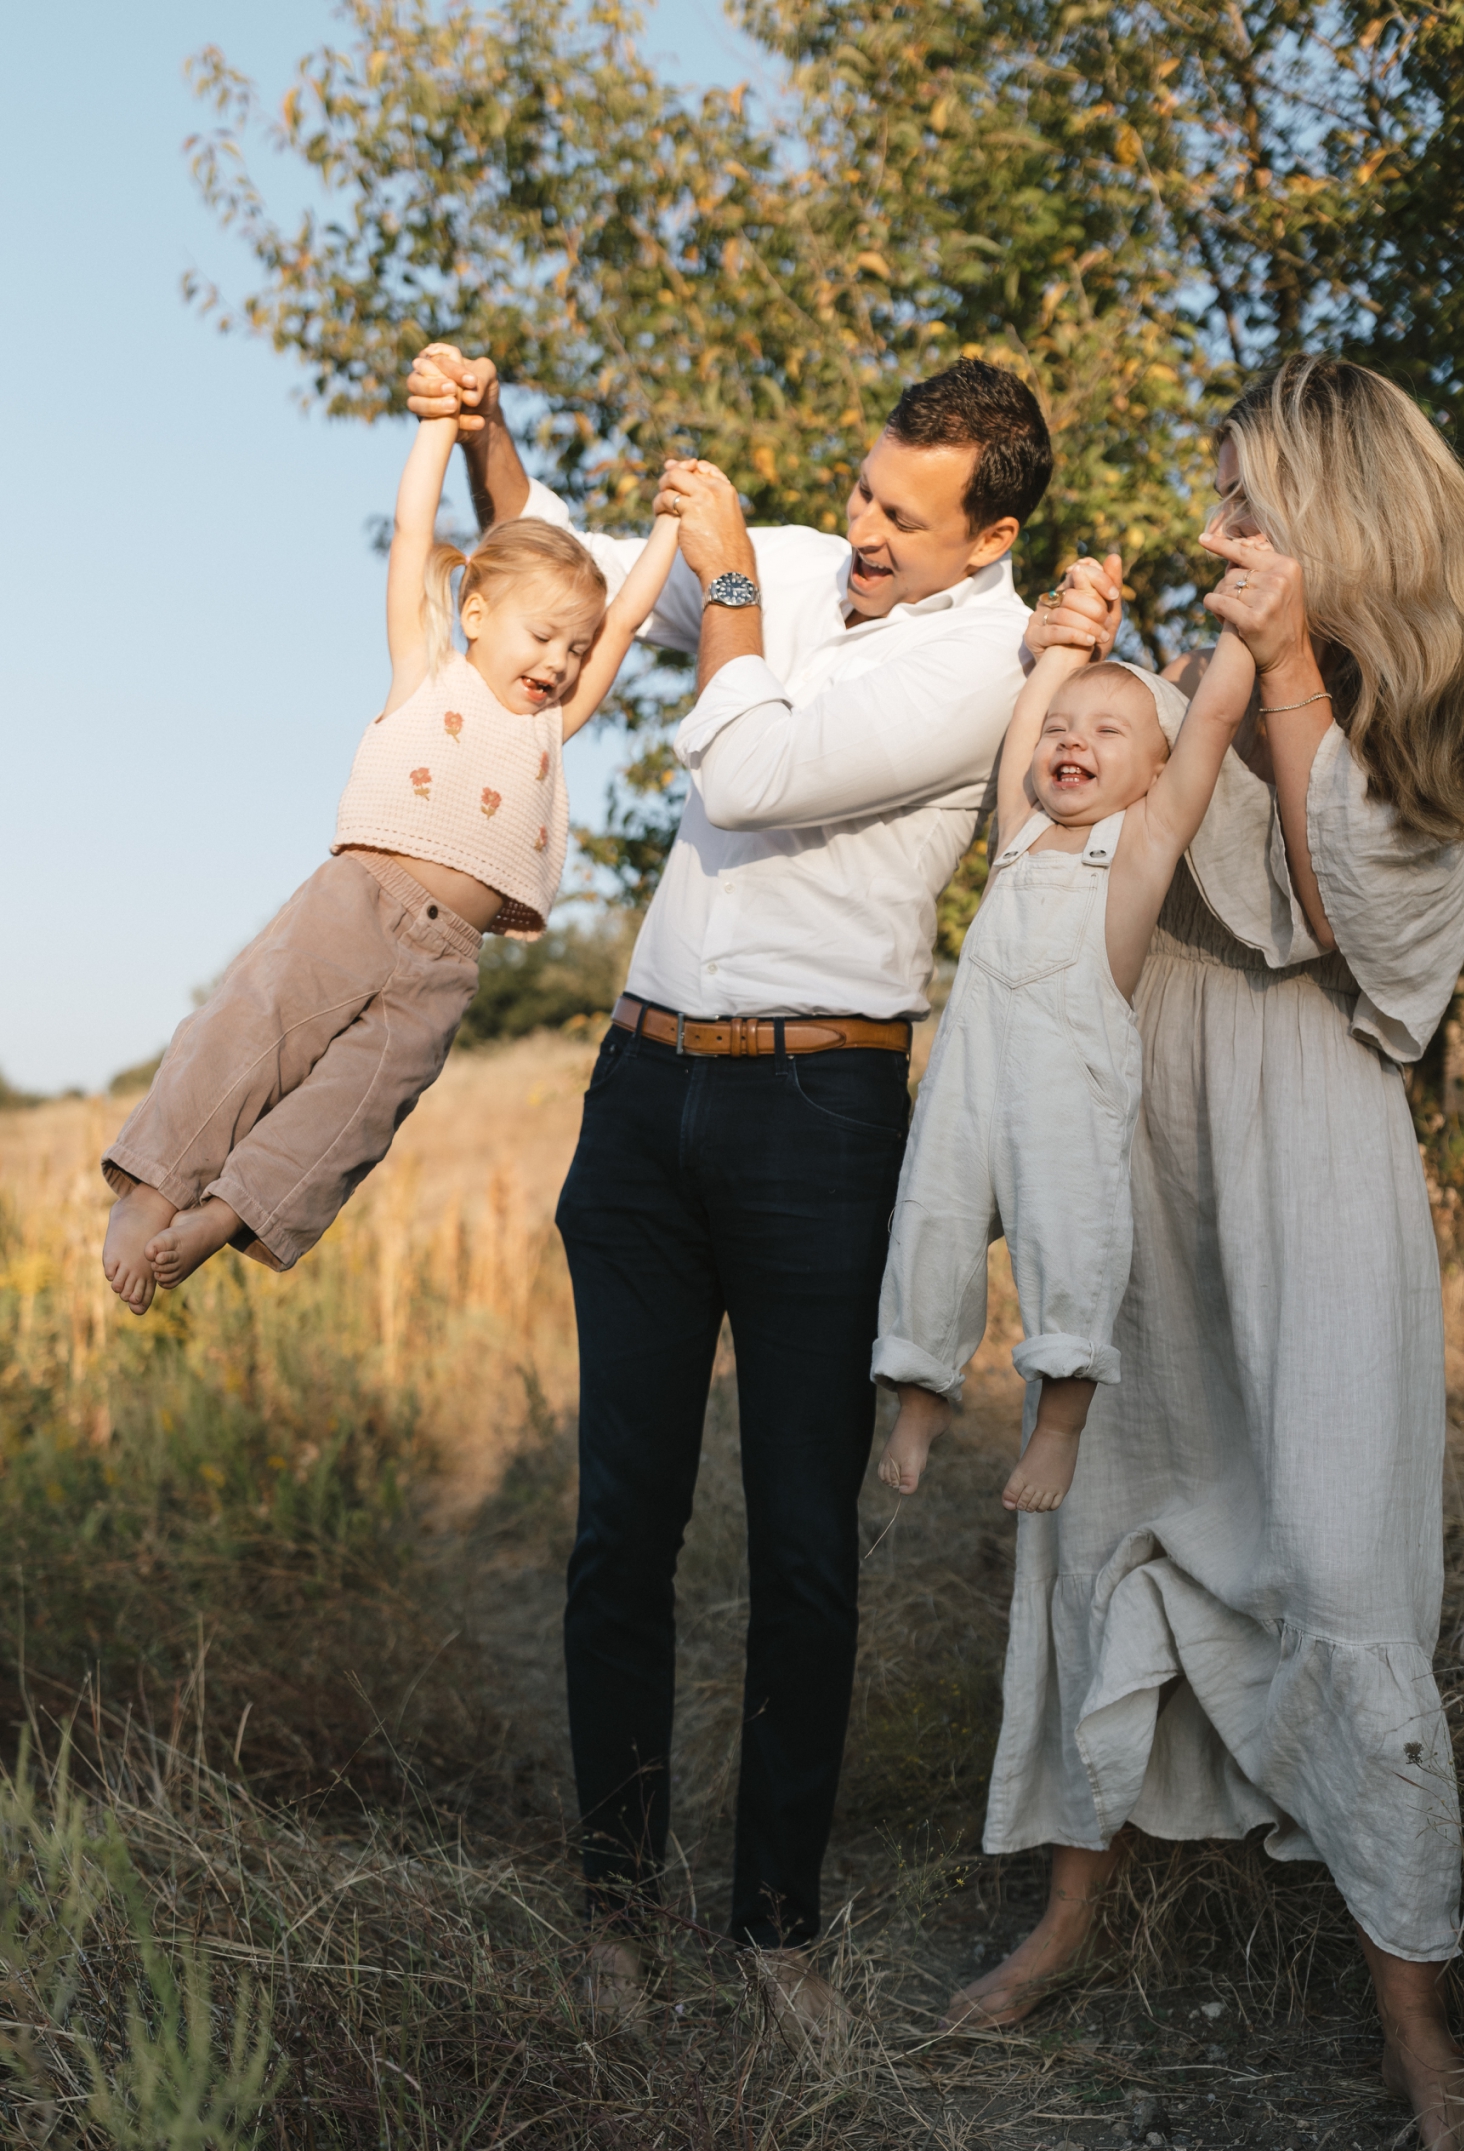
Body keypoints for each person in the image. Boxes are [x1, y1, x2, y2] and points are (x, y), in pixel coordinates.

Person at [405, 344, 1109, 2029]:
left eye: (902, 516)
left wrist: (725, 569)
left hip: (822, 1108)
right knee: (617, 1527)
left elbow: (745, 768)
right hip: (645, 1092)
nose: (861, 528)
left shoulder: (987, 664)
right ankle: (612, 1909)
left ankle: (777, 1924)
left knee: (803, 1542)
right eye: (862, 488)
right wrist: (495, 436)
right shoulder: (787, 566)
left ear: (989, 535)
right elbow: (567, 581)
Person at [945, 357, 1464, 2151]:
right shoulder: (1190, 675)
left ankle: (1416, 2020)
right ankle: (1070, 1912)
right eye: (1217, 503)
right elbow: (1047, 858)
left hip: (1310, 1144)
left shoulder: (1426, 708)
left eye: (1247, 506)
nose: (1216, 535)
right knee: (1112, 1508)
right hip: (1149, 1124)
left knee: (1340, 1556)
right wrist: (1053, 681)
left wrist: (1289, 671)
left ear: (1339, 521)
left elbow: (1377, 938)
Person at [101, 372, 680, 1313]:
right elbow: (415, 538)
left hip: (447, 963)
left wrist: (668, 532)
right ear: (479, 614)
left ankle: (225, 1217)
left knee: (359, 1109)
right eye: (544, 638)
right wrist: (440, 433)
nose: (560, 664)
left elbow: (619, 623)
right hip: (356, 903)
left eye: (572, 652)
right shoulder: (427, 669)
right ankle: (154, 1193)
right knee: (249, 1034)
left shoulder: (549, 728)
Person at [873, 621, 1254, 1509]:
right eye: (1062, 729)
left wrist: (1245, 628)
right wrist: (1062, 651)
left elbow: (1211, 723)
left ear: (1155, 770)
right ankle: (922, 1394)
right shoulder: (1019, 832)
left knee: (1070, 1246)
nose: (1072, 739)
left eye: (1109, 732)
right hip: (967, 1090)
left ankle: (1058, 1428)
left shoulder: (1139, 847)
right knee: (930, 1226)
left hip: (1065, 1099)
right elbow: (1023, 728)